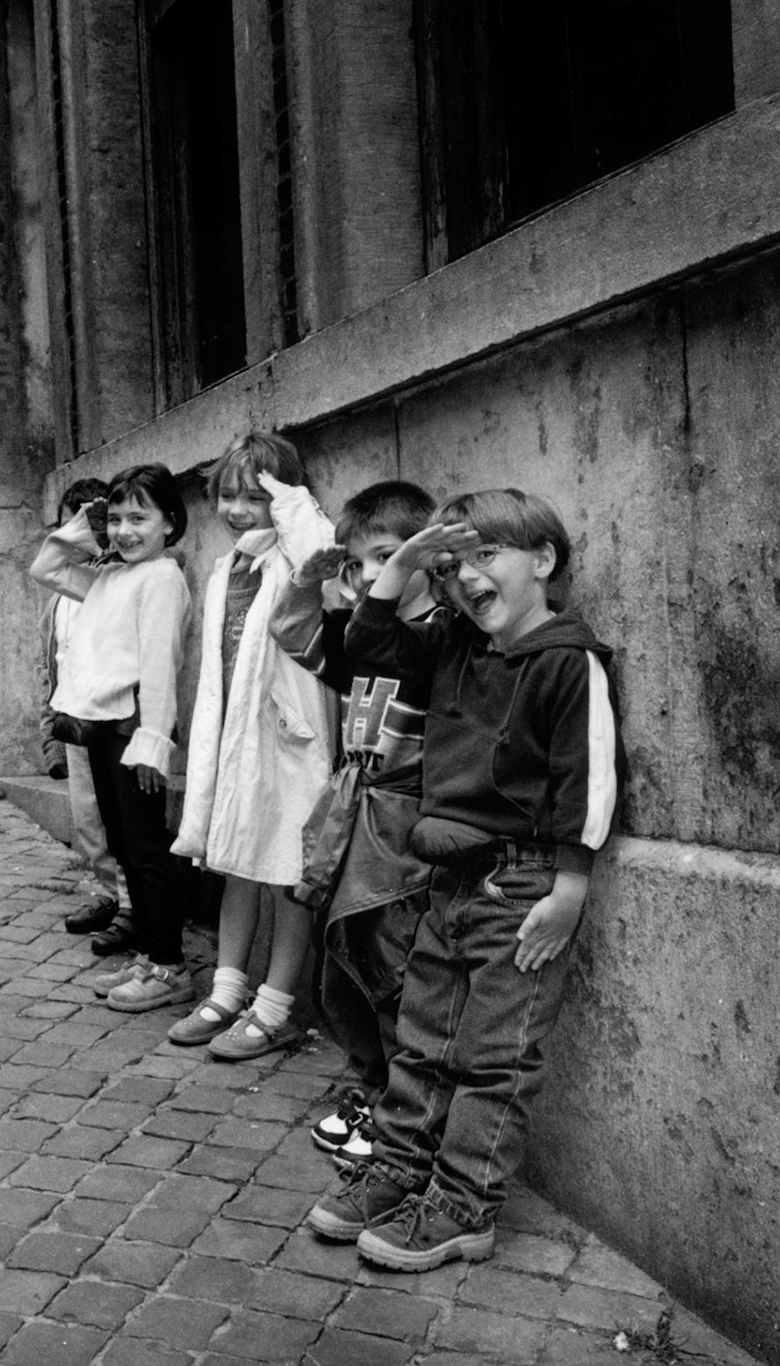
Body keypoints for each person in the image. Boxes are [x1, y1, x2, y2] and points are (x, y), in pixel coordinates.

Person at [304, 489, 618, 1272]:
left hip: (521, 886)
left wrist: (570, 890)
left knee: (495, 1056)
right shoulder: (451, 643)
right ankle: (399, 1169)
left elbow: (588, 781)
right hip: (447, 880)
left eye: (487, 555)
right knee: (421, 1041)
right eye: (453, 566)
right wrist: (405, 564)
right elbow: (367, 642)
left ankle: (463, 1205)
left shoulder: (567, 660)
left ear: (542, 560)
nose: (467, 577)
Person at [268, 480, 440, 1164]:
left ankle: (406, 1117)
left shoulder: (438, 636)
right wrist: (310, 578)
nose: (370, 574)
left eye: (388, 556)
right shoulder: (364, 635)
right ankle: (374, 1087)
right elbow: (293, 633)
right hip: (354, 815)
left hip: (401, 828)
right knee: (348, 959)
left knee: (395, 968)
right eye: (359, 561)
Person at [169, 435, 337, 1060]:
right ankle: (227, 990)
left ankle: (275, 1008)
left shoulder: (295, 554)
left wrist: (290, 501)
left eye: (255, 497)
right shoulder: (228, 568)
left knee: (287, 871)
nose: (238, 510)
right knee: (236, 862)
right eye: (228, 496)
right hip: (234, 739)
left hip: (287, 740)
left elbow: (323, 556)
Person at [30, 464, 194, 1013]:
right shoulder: (109, 576)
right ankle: (148, 956)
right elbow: (47, 567)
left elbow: (161, 665)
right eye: (116, 518)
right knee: (123, 845)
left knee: (147, 850)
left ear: (169, 522)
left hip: (133, 730)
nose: (125, 530)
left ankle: (169, 966)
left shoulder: (162, 578)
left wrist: (153, 742)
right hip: (98, 727)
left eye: (139, 518)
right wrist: (86, 525)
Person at [37, 478, 121, 929]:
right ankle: (109, 894)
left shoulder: (112, 578)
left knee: (115, 816)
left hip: (109, 717)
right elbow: (49, 661)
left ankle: (130, 902)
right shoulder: (58, 596)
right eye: (70, 527)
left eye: (85, 526)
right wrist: (49, 726)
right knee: (87, 815)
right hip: (73, 718)